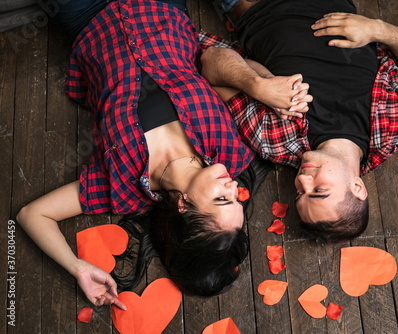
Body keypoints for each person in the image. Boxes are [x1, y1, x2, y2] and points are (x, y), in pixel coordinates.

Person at [15, 0, 310, 307]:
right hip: (162, 8)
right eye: (236, 198)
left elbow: (32, 214)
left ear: (184, 205)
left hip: (88, 16)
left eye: (222, 199)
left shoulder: (122, 188)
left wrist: (78, 267)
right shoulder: (230, 152)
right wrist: (260, 86)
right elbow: (218, 71)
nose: (234, 186)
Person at [200, 0, 398, 243]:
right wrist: (377, 29)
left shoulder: (275, 142)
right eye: (319, 191)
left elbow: (211, 61)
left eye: (300, 193)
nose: (301, 180)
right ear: (357, 188)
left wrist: (259, 85)